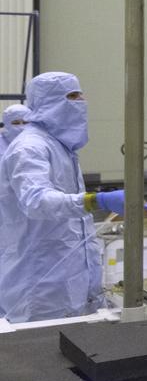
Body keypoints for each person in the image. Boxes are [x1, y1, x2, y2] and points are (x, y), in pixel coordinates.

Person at [0, 73, 129, 323]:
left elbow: (73, 226)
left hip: (68, 283)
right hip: (40, 287)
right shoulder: (30, 147)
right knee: (40, 357)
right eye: (72, 96)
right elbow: (37, 201)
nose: (81, 101)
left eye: (81, 95)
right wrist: (96, 201)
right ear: (47, 103)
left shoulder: (60, 148)